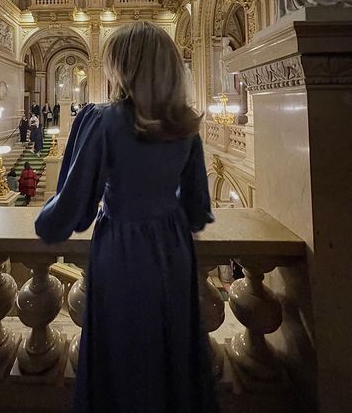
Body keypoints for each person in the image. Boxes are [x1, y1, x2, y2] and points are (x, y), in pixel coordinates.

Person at [35, 21, 217, 413]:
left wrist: (44, 220)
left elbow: (72, 213)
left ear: (124, 68)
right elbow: (198, 210)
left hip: (122, 248)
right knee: (174, 348)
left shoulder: (102, 120)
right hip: (174, 248)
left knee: (124, 351)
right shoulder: (186, 126)